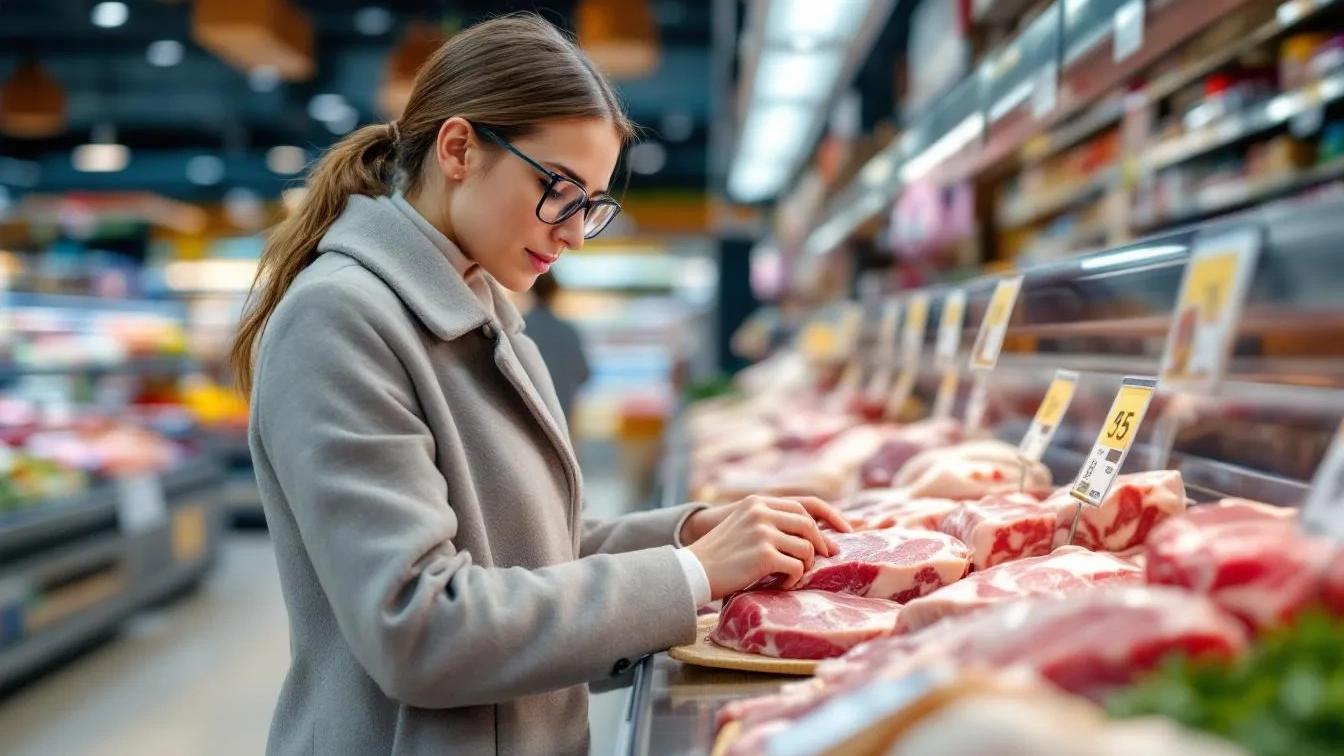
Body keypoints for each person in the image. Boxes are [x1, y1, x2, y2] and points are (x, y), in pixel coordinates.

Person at [229, 14, 851, 756]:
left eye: (591, 204)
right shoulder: (339, 319)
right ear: (459, 149)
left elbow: (534, 550)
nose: (576, 233)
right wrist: (689, 575)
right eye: (560, 189)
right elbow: (419, 627)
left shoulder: (487, 308)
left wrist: (691, 532)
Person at [523, 272, 589, 426]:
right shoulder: (568, 331)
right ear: (555, 292)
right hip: (561, 413)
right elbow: (584, 373)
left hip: (525, 415)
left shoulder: (517, 327)